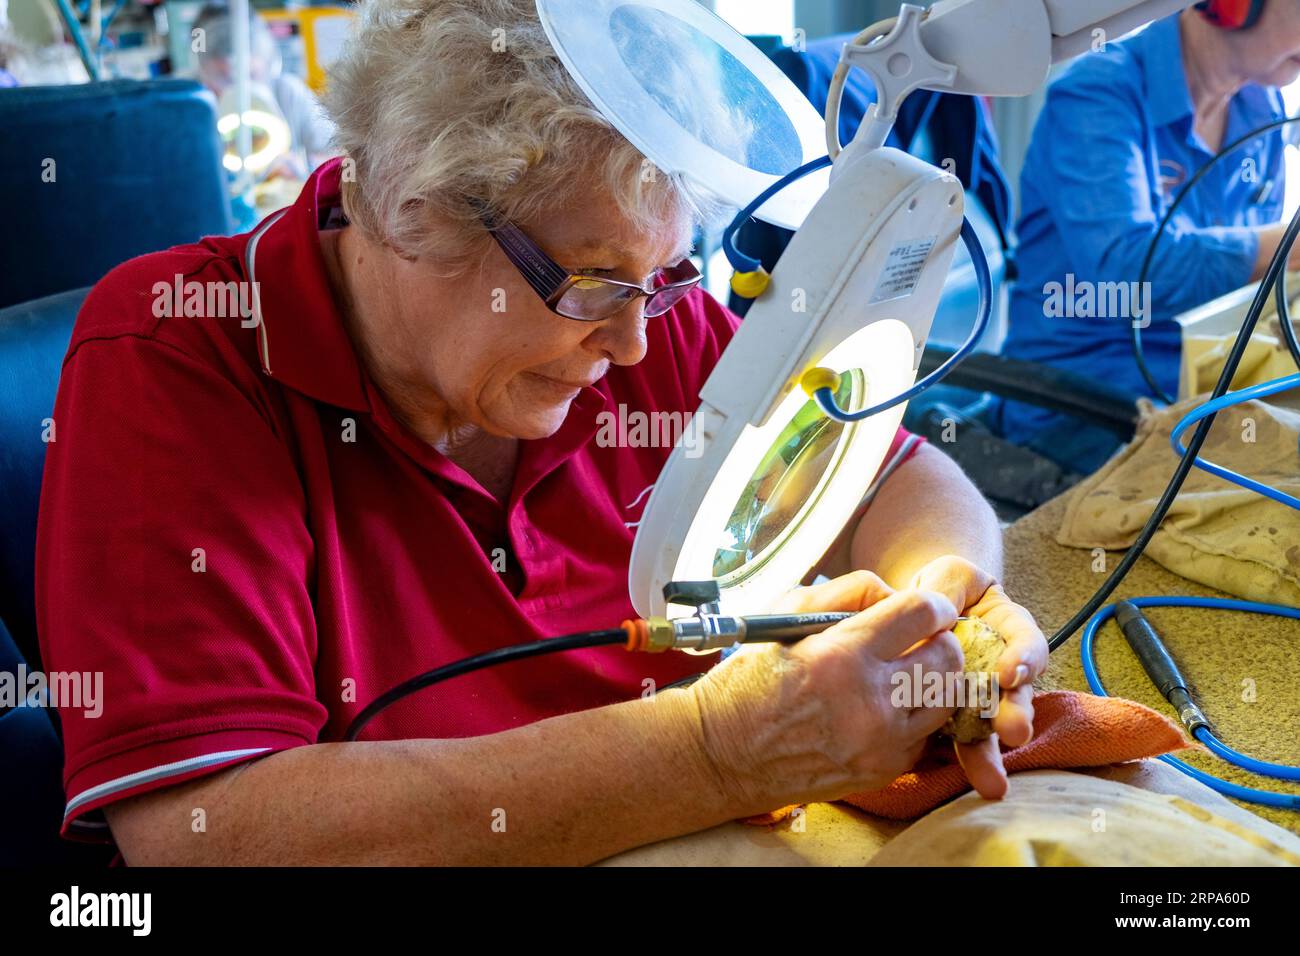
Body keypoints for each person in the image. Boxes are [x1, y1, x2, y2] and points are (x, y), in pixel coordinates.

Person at [38, 0, 1047, 866]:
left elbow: (891, 478)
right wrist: (719, 747)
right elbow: (205, 833)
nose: (634, 338)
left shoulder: (644, 311)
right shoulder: (180, 350)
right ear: (409, 213)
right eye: (593, 285)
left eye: (665, 277)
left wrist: (947, 605)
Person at [998, 1, 1300, 474]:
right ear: (1232, 6)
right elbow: (1130, 271)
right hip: (1084, 403)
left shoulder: (1262, 107)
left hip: (1205, 378)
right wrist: (1284, 246)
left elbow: (1251, 291)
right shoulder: (1097, 94)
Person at [191, 3, 336, 172]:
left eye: (250, 75)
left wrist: (305, 165)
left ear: (264, 57)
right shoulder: (191, 106)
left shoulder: (288, 92)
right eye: (225, 79)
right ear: (203, 70)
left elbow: (338, 157)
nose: (240, 91)